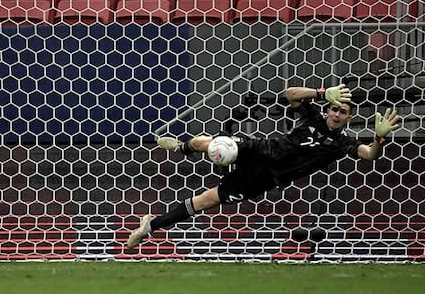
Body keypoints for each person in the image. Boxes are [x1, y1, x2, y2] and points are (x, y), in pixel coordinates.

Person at [126, 83, 402, 249]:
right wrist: (320, 92)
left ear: (348, 118)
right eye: (334, 108)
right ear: (329, 108)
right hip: (262, 150)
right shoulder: (315, 117)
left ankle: (150, 226)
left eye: (342, 112)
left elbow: (369, 155)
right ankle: (182, 147)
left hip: (268, 177)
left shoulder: (342, 143)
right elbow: (291, 95)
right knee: (208, 144)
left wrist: (379, 138)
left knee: (206, 201)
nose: (336, 114)